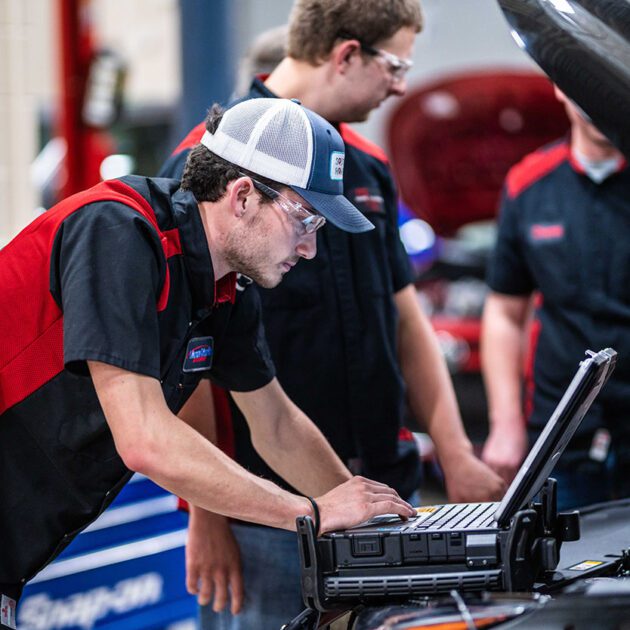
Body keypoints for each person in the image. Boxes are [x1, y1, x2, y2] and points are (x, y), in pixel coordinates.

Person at [0, 97, 418, 628]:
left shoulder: (223, 288)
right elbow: (146, 439)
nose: (311, 249)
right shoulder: (116, 233)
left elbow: (277, 423)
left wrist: (369, 530)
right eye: (305, 219)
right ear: (243, 196)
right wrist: (310, 514)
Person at [159, 1, 506, 627]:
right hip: (266, 513)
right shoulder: (209, 171)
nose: (401, 84)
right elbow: (189, 362)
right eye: (395, 64)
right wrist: (206, 514)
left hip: (378, 489)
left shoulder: (365, 169)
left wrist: (454, 451)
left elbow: (405, 320)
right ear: (347, 54)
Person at [481, 85, 630, 511]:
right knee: (561, 574)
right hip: (561, 438)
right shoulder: (528, 185)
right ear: (561, 88)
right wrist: (505, 424)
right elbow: (505, 312)